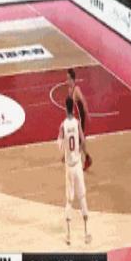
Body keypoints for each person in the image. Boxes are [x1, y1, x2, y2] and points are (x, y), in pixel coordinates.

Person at [57, 97, 92, 246]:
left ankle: (68, 235)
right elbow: (82, 140)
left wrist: (64, 152)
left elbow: (60, 145)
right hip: (77, 165)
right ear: (73, 108)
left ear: (66, 108)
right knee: (82, 197)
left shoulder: (63, 125)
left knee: (69, 200)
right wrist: (81, 152)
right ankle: (86, 232)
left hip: (69, 167)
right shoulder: (77, 123)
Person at [67, 68, 92, 171]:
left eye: (68, 79)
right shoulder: (69, 90)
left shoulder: (76, 89)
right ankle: (87, 158)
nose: (67, 81)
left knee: (79, 140)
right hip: (76, 118)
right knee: (78, 140)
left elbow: (83, 100)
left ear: (72, 79)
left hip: (81, 117)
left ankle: (81, 159)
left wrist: (87, 113)